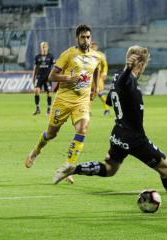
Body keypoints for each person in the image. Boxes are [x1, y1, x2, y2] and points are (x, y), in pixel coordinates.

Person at [52, 45, 167, 214]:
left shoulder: (117, 77)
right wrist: (128, 69)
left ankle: (74, 169)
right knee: (166, 168)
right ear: (141, 64)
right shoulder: (128, 79)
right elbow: (123, 84)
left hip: (118, 133)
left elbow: (110, 99)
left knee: (110, 169)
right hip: (134, 138)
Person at [25, 24, 102, 184]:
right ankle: (36, 151)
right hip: (63, 101)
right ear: (77, 38)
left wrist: (95, 87)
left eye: (88, 37)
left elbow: (96, 69)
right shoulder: (68, 54)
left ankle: (68, 167)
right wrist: (68, 78)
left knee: (82, 129)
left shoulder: (96, 56)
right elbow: (52, 76)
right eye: (83, 37)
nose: (86, 40)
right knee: (51, 134)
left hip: (81, 101)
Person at [32, 41, 55, 115]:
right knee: (37, 90)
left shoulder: (50, 56)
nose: (44, 48)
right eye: (42, 47)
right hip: (39, 77)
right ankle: (37, 109)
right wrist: (34, 77)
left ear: (47, 48)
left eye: (45, 47)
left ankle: (48, 109)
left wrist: (54, 76)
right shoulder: (37, 57)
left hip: (48, 77)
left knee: (49, 93)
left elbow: (54, 67)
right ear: (40, 48)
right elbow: (35, 68)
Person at [90, 41, 111, 116]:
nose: (93, 47)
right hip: (89, 77)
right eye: (91, 46)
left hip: (98, 77)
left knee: (100, 93)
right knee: (90, 94)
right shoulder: (87, 54)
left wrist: (104, 73)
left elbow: (105, 65)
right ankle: (88, 111)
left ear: (96, 47)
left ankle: (107, 109)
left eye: (94, 46)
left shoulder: (100, 55)